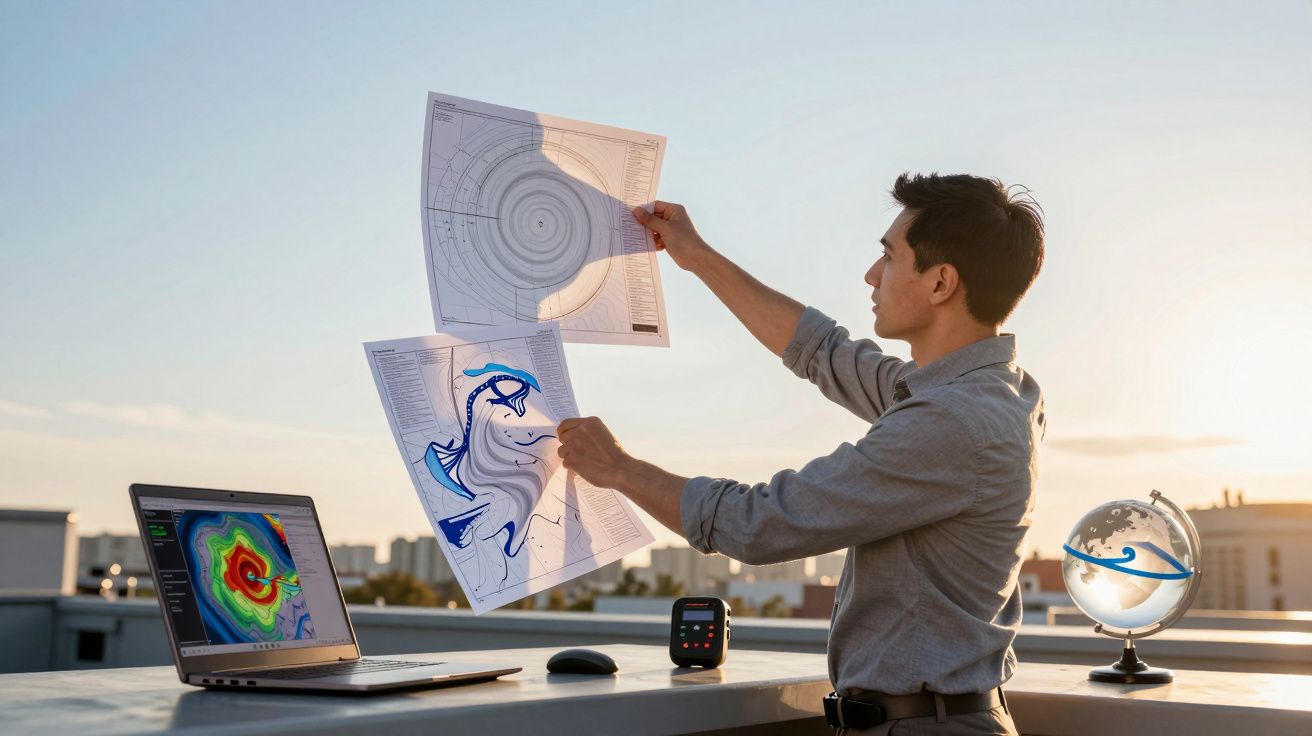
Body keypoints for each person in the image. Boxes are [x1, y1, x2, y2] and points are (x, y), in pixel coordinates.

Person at [556, 173, 1046, 735]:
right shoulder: (989, 391)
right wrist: (698, 258)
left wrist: (619, 469)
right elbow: (823, 351)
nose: (871, 274)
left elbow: (759, 525)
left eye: (888, 256)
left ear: (940, 283)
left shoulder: (951, 423)